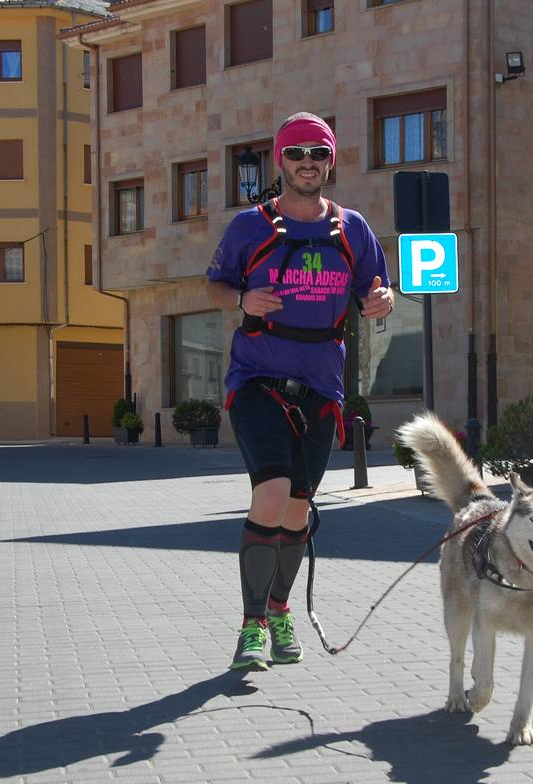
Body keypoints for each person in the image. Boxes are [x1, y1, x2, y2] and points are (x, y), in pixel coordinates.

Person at [206, 112, 394, 671]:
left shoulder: (352, 229)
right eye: (296, 153)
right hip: (258, 379)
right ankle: (252, 627)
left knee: (296, 510)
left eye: (317, 152)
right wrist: (241, 301)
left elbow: (374, 288)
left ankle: (281, 609)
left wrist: (381, 300)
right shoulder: (250, 227)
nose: (306, 162)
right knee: (272, 492)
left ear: (330, 161)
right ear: (280, 161)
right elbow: (215, 284)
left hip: (322, 387)